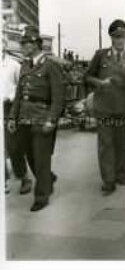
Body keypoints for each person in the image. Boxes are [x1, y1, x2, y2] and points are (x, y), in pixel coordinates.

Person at [85, 19, 125, 196]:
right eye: (117, 36)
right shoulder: (101, 55)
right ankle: (108, 180)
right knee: (105, 143)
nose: (121, 40)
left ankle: (121, 173)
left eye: (124, 37)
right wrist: (99, 83)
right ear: (111, 37)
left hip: (123, 107)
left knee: (120, 142)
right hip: (103, 107)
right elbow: (87, 76)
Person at [8, 27, 64, 212]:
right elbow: (18, 95)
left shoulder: (51, 66)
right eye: (22, 43)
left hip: (42, 117)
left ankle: (42, 196)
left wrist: (51, 120)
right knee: (28, 155)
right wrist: (12, 117)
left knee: (40, 158)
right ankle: (47, 177)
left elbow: (58, 97)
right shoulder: (25, 65)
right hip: (24, 117)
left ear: (35, 44)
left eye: (26, 43)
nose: (23, 46)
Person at [1, 38, 32, 195]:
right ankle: (4, 181)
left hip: (9, 108)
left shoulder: (14, 66)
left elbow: (22, 88)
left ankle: (24, 177)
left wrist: (11, 99)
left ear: (5, 45)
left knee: (13, 146)